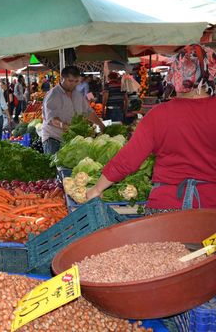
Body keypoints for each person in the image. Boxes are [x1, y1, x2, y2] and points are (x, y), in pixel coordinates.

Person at [86, 44, 216, 212]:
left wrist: (96, 189)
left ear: (176, 73)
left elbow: (128, 159)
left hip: (166, 208)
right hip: (210, 210)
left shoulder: (159, 114)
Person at [42, 66, 105, 155]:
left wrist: (101, 124)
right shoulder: (53, 95)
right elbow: (52, 119)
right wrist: (62, 125)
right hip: (54, 140)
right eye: (70, 81)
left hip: (71, 139)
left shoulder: (78, 94)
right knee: (55, 167)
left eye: (76, 81)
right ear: (62, 78)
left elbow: (88, 112)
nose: (73, 84)